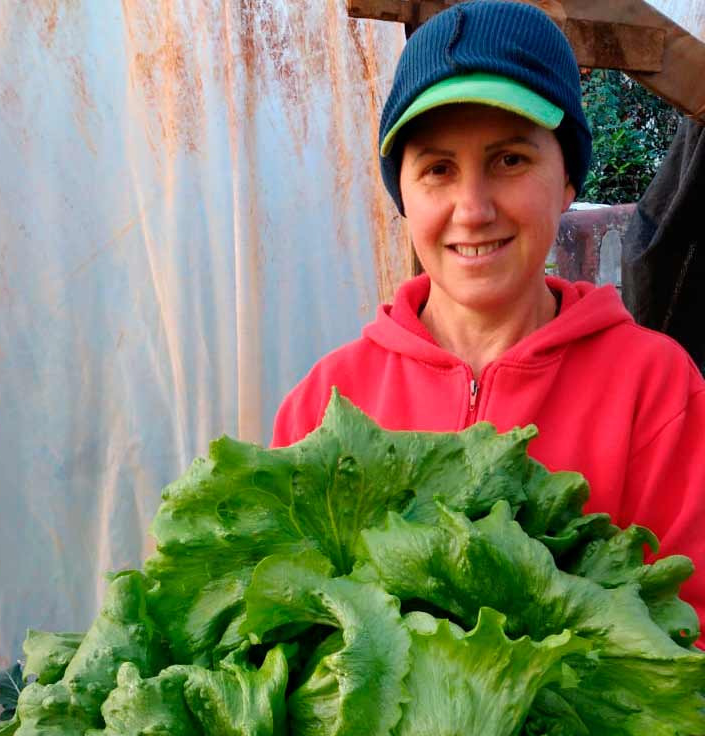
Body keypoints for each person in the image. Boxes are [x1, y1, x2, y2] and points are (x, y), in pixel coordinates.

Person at [271, 0, 705, 640]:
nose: (471, 210)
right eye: (437, 170)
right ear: (404, 196)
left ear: (565, 181)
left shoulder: (656, 387)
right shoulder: (325, 405)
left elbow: (690, 636)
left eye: (509, 161)